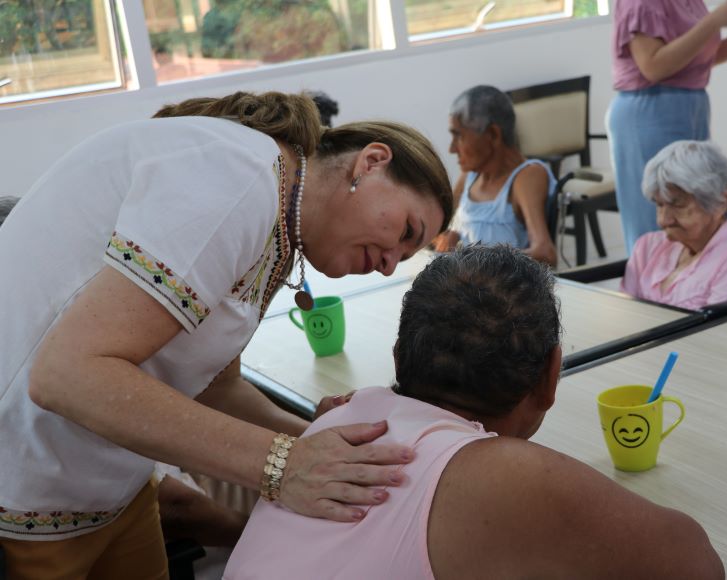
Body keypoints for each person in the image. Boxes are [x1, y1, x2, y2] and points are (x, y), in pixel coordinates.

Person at [0, 91, 453, 579]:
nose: (389, 264)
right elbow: (65, 376)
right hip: (27, 495)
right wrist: (283, 465)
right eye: (406, 231)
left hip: (117, 491)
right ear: (372, 161)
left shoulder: (280, 222)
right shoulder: (238, 177)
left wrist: (329, 446)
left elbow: (217, 388)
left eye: (404, 260)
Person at [224, 245, 724, 579]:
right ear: (552, 375)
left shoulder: (343, 418)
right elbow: (699, 565)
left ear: (398, 357)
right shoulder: (506, 473)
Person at [608, 0, 727, 252]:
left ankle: (694, 282)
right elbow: (653, 66)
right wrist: (714, 21)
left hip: (689, 105)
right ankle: (653, 287)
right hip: (651, 109)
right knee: (660, 217)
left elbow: (707, 54)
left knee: (697, 213)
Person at [620, 140, 727, 323]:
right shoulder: (647, 247)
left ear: (720, 202)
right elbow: (624, 318)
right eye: (659, 204)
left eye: (677, 204)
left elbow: (720, 334)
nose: (663, 220)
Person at [434, 85, 557, 266]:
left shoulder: (526, 176)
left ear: (492, 134)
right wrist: (450, 233)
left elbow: (545, 253)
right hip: (468, 284)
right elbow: (442, 223)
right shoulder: (470, 175)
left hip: (505, 290)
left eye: (459, 136)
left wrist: (476, 260)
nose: (452, 149)